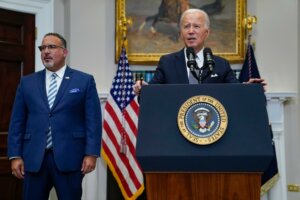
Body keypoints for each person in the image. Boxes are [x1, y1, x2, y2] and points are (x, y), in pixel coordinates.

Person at [7, 32, 102, 200]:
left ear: (64, 52)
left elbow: (93, 121)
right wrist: (15, 155)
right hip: (34, 158)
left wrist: (91, 153)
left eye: (51, 47)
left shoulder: (84, 81)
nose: (46, 51)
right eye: (42, 48)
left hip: (70, 157)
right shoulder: (27, 82)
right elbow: (17, 121)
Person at [133, 8, 265, 94]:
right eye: (186, 27)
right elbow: (152, 93)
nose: (191, 31)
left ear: (206, 33)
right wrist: (143, 88)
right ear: (180, 33)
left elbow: (235, 91)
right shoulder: (167, 62)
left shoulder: (220, 64)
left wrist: (249, 88)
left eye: (196, 26)